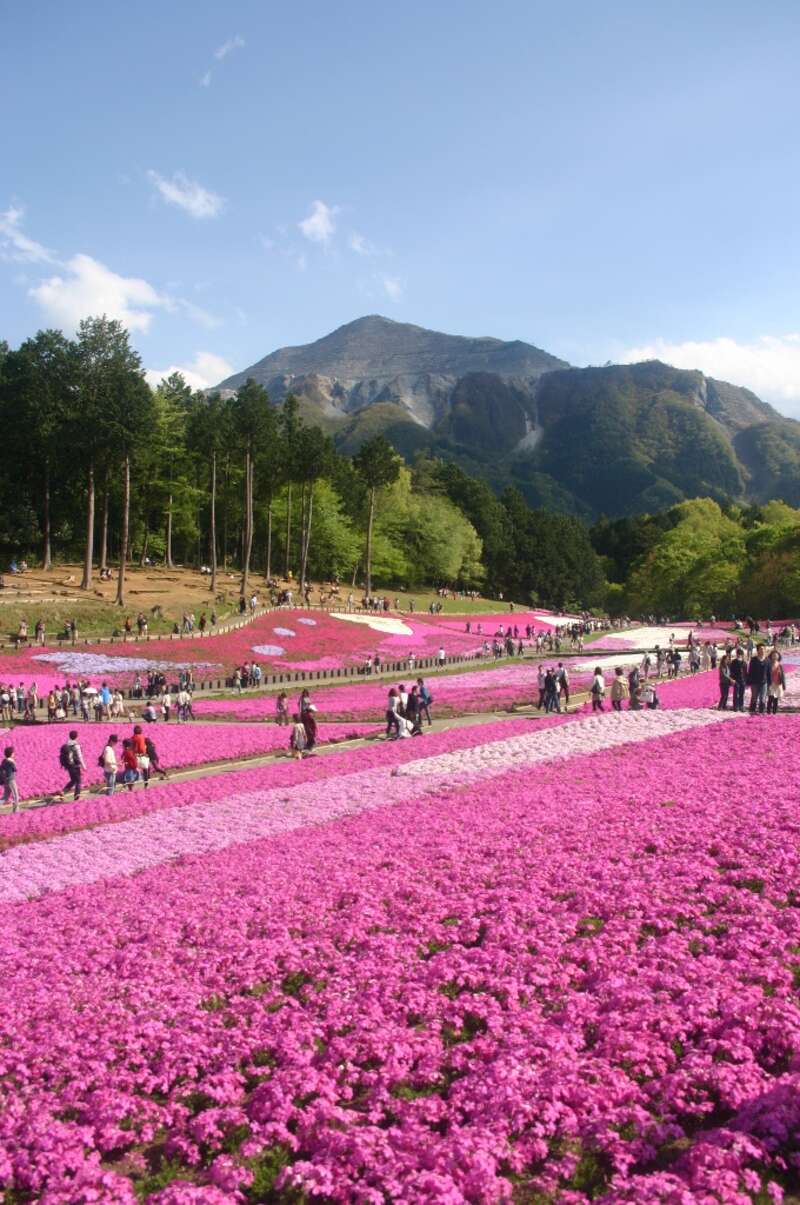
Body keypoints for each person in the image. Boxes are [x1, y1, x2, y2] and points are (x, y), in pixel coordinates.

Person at [59, 729, 86, 801]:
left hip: (69, 766)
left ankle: (63, 791)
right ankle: (77, 797)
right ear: (77, 737)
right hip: (75, 766)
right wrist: (84, 766)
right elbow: (80, 756)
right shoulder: (76, 745)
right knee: (78, 781)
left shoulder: (67, 744)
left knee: (73, 780)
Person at [747, 643, 769, 715]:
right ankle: (752, 712)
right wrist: (749, 682)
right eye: (761, 649)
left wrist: (770, 683)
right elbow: (750, 671)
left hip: (764, 682)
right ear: (758, 650)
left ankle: (761, 712)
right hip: (755, 682)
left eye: (763, 649)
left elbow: (769, 672)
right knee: (754, 697)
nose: (762, 651)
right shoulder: (753, 660)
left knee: (762, 698)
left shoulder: (767, 660)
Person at [767, 650, 786, 714]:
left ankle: (774, 712)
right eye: (773, 655)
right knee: (770, 698)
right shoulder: (769, 664)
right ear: (771, 656)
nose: (775, 656)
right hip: (771, 684)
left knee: (776, 699)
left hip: (778, 684)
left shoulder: (780, 665)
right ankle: (768, 712)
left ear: (778, 656)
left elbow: (782, 676)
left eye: (776, 655)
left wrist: (784, 685)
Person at [0, 745, 19, 811]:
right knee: (16, 796)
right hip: (11, 780)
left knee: (5, 797)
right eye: (13, 753)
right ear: (11, 754)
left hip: (5, 781)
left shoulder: (4, 761)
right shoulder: (10, 762)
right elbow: (15, 769)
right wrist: (14, 762)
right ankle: (16, 811)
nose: (14, 754)